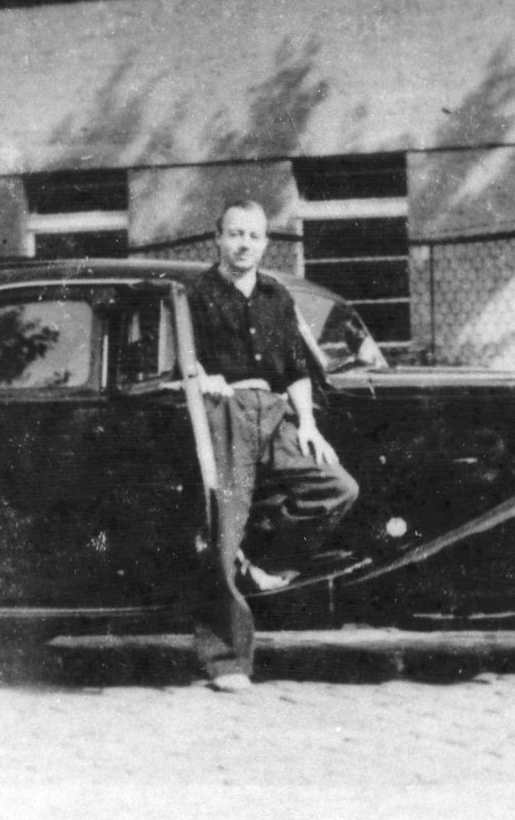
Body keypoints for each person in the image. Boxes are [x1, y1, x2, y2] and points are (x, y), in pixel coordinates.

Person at [189, 199, 359, 693]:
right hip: (227, 412)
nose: (244, 244)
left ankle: (264, 563)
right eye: (235, 234)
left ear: (264, 243)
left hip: (276, 410)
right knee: (224, 524)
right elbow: (185, 358)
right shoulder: (197, 295)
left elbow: (296, 368)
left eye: (253, 236)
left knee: (336, 487)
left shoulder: (275, 295)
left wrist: (308, 423)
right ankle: (226, 661)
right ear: (218, 238)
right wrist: (204, 377)